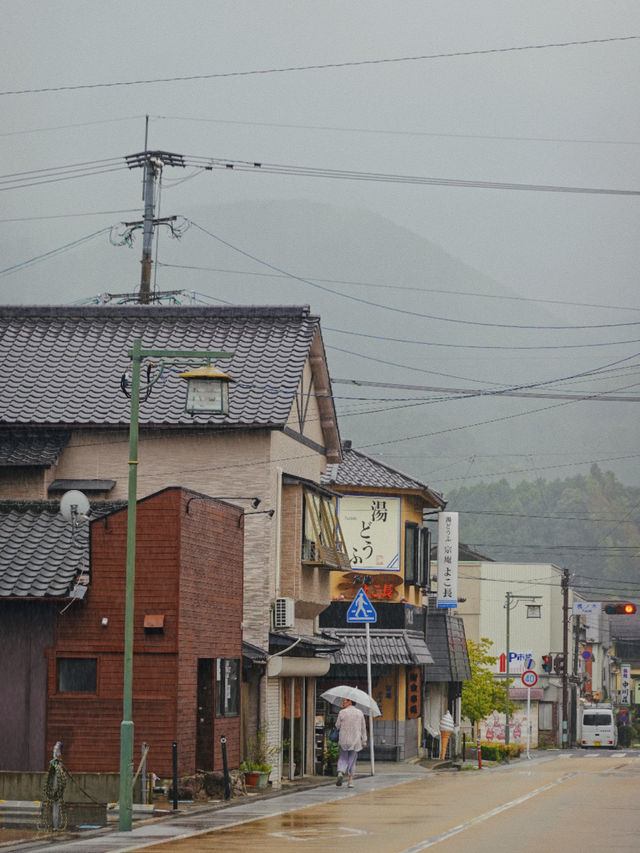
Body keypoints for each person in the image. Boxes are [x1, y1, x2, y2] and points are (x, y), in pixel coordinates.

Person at [335, 696, 367, 788]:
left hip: (344, 740)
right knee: (352, 760)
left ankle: (340, 772)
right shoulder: (360, 713)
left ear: (350, 702)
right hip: (355, 740)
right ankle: (350, 781)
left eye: (344, 701)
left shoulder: (342, 712)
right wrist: (364, 741)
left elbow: (337, 725)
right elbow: (363, 728)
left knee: (342, 757)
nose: (343, 703)